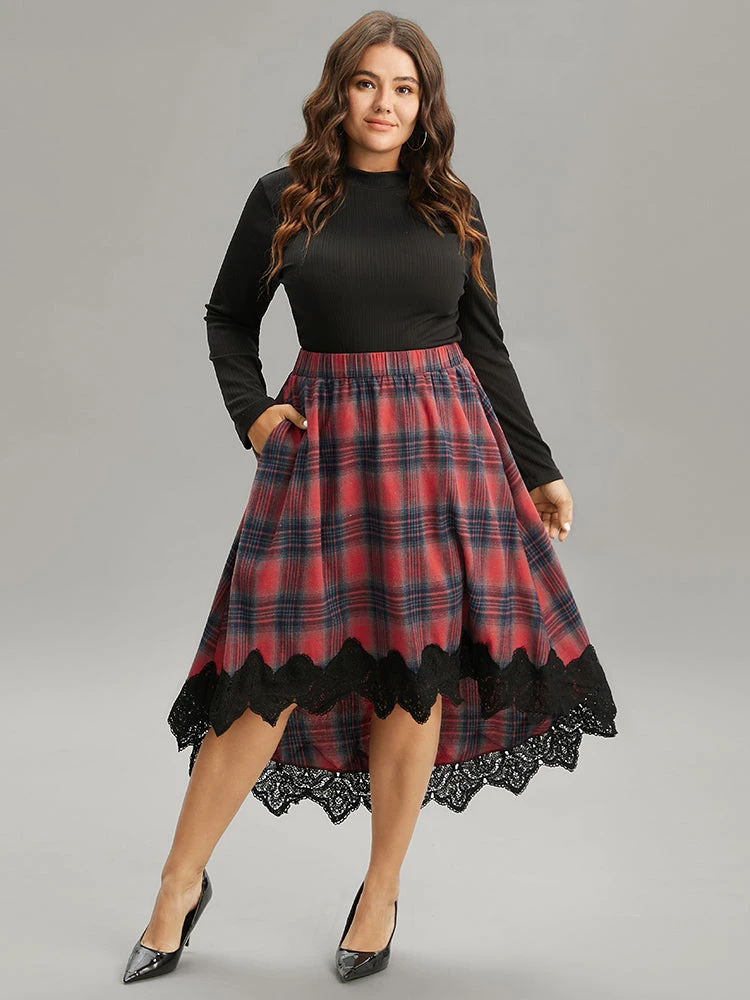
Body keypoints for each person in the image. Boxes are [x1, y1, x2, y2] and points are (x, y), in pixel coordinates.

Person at [123, 10, 618, 986]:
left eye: (404, 88)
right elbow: (227, 319)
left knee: (414, 671)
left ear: (424, 104)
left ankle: (380, 891)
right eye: (366, 84)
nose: (384, 104)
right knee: (262, 675)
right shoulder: (284, 197)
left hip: (442, 453)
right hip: (323, 454)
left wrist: (539, 466)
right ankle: (178, 886)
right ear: (337, 93)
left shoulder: (453, 205)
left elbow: (486, 346)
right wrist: (253, 414)